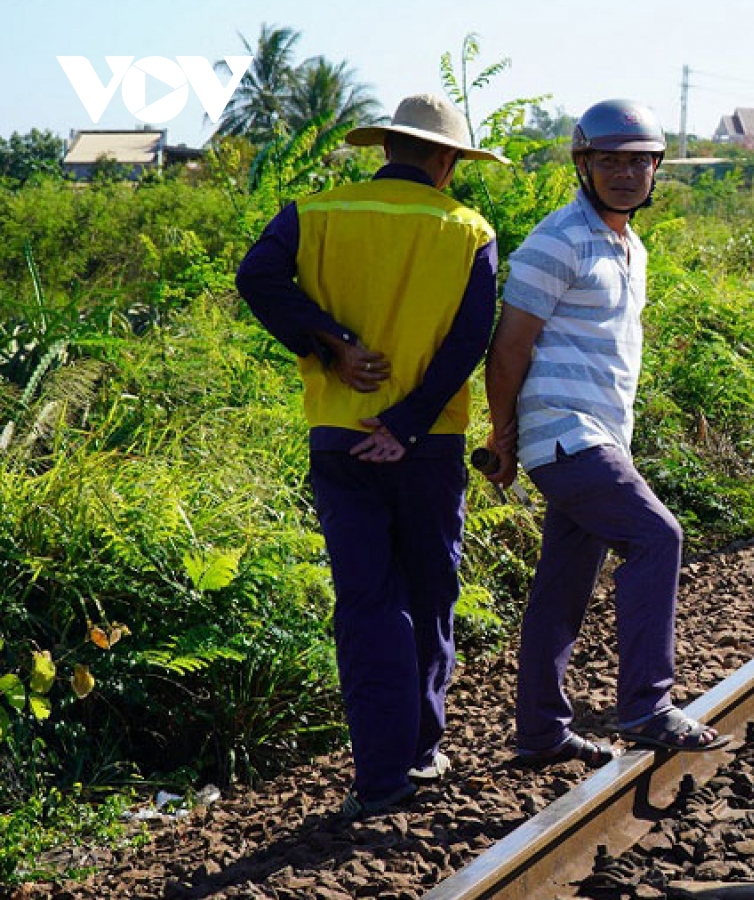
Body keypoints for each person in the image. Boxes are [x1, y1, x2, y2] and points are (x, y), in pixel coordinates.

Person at [235, 94, 506, 818]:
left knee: (367, 603)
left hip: (339, 434)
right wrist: (410, 422)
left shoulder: (313, 212)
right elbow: (470, 339)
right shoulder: (469, 231)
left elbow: (255, 280)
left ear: (386, 147)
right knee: (430, 590)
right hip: (429, 443)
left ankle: (380, 775)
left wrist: (333, 343)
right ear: (447, 160)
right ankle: (420, 750)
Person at [482, 99, 727, 762]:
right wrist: (501, 437)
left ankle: (540, 732)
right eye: (609, 161)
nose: (625, 173)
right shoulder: (558, 238)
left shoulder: (630, 246)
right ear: (583, 165)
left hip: (598, 437)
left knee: (563, 584)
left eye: (638, 161)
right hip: (564, 435)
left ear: (656, 170)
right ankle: (647, 706)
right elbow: (508, 350)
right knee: (657, 536)